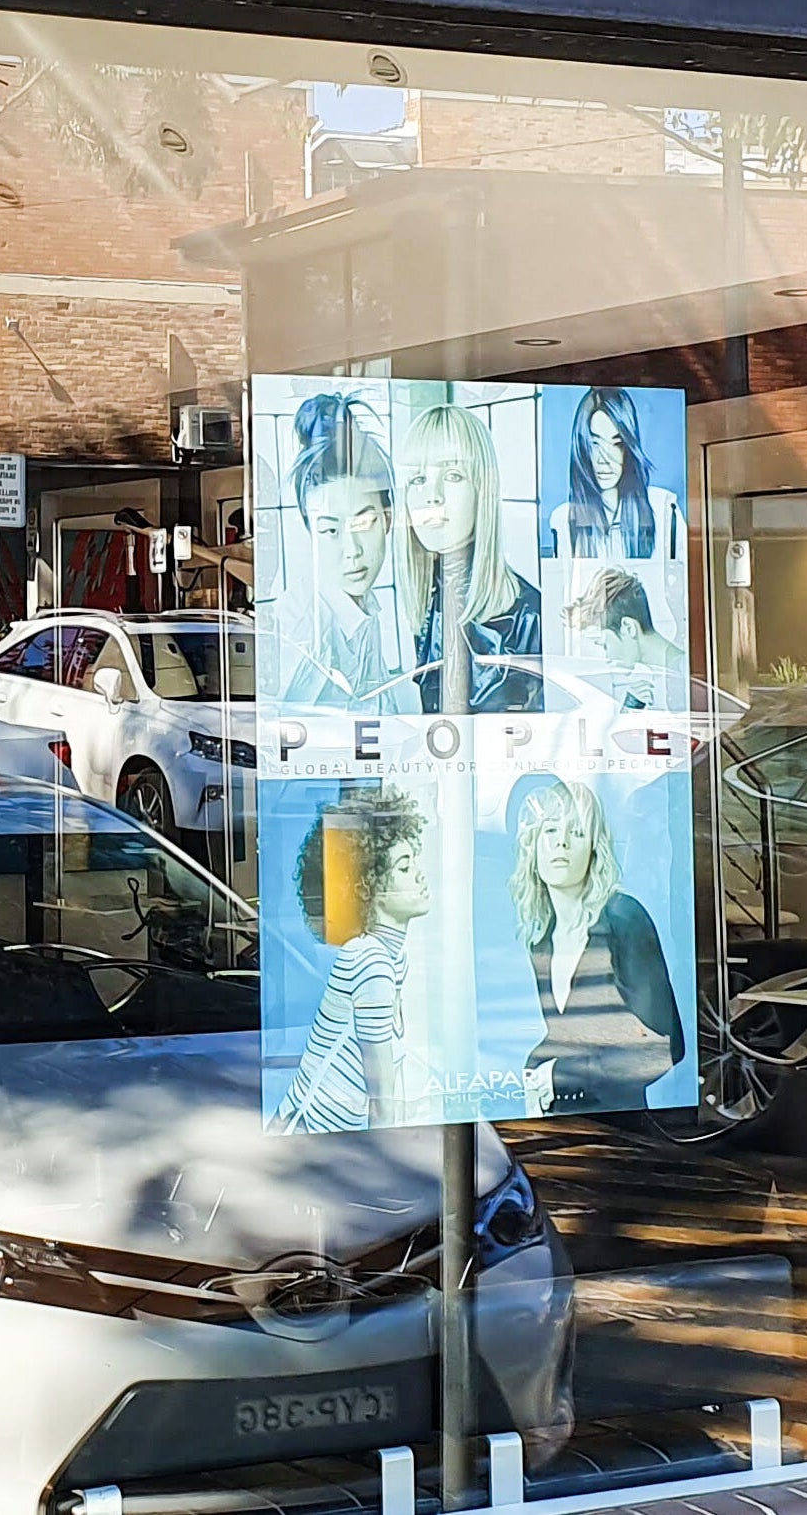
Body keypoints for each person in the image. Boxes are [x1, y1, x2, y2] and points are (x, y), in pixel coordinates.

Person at [510, 775, 682, 1115]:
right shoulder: (541, 941)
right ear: (533, 845)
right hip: (559, 1127)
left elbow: (663, 1050)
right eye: (550, 831)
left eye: (575, 832)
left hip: (620, 1134)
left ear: (593, 847)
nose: (561, 844)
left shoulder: (622, 918)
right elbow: (571, 1035)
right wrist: (533, 1070)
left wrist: (558, 1075)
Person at [276, 786, 434, 1132]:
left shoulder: (383, 956)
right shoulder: (371, 961)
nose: (421, 875)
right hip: (316, 1138)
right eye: (405, 868)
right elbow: (382, 1101)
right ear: (368, 886)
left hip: (320, 1133)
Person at [399, 401, 543, 713]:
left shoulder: (531, 617)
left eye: (452, 475)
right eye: (418, 479)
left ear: (482, 487)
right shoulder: (422, 609)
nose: (432, 495)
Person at [276, 393, 408, 711]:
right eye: (330, 531)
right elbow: (290, 730)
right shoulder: (307, 625)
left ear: (387, 519)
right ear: (311, 533)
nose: (352, 551)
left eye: (363, 522)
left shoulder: (362, 605)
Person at [549, 387, 682, 562]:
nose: (604, 460)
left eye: (616, 444)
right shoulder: (564, 519)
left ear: (628, 447)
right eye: (595, 444)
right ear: (581, 448)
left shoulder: (663, 509)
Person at [563, 568, 687, 696]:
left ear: (628, 627)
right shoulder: (676, 675)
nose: (607, 658)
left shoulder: (686, 675)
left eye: (605, 646)